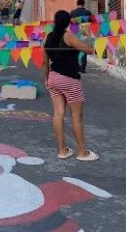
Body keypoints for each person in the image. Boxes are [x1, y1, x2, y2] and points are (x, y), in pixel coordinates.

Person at [42, 10, 99, 162]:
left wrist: (47, 79)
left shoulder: (47, 38)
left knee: (58, 114)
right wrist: (88, 34)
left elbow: (44, 63)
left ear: (55, 21)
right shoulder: (68, 36)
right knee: (76, 117)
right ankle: (82, 152)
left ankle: (62, 150)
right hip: (70, 79)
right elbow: (90, 50)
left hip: (53, 78)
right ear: (68, 22)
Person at [70, 0, 93, 73]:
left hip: (76, 33)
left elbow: (70, 23)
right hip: (85, 33)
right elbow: (92, 22)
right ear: (84, 4)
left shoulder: (72, 13)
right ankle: (82, 68)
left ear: (77, 4)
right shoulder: (88, 12)